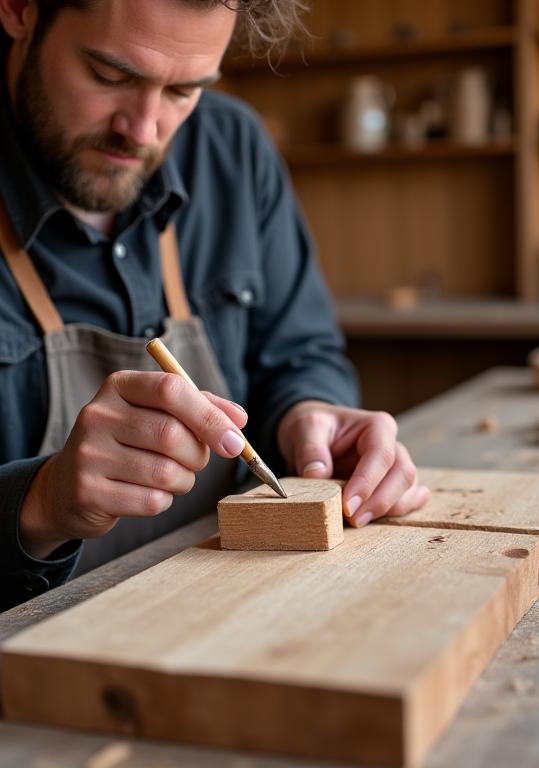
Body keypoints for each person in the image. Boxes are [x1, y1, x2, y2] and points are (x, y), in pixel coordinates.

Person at [0, 0, 430, 612]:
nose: (144, 131)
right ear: (20, 10)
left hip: (236, 611)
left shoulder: (231, 148)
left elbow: (298, 351)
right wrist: (41, 504)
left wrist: (309, 413)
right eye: (110, 75)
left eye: (183, 89)